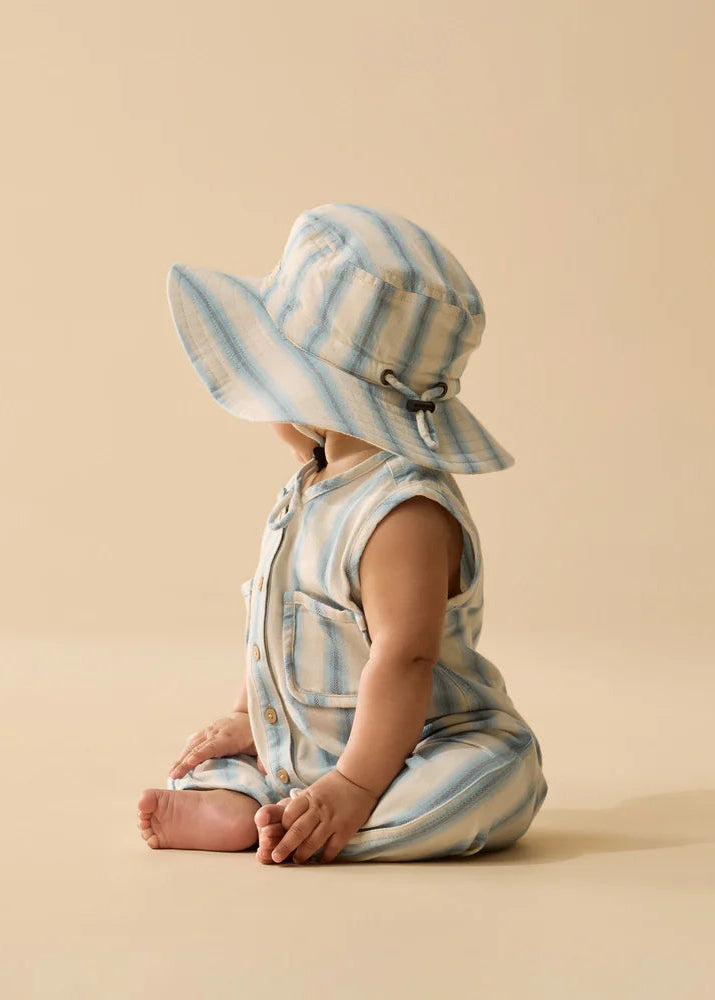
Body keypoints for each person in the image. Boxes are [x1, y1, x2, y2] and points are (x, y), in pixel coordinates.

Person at [136, 202, 548, 864]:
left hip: (425, 742)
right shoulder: (309, 487)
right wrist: (247, 719)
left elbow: (405, 659)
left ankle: (333, 816)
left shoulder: (402, 512)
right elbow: (269, 630)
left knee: (492, 779)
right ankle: (256, 798)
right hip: (307, 744)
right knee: (216, 754)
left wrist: (353, 784)